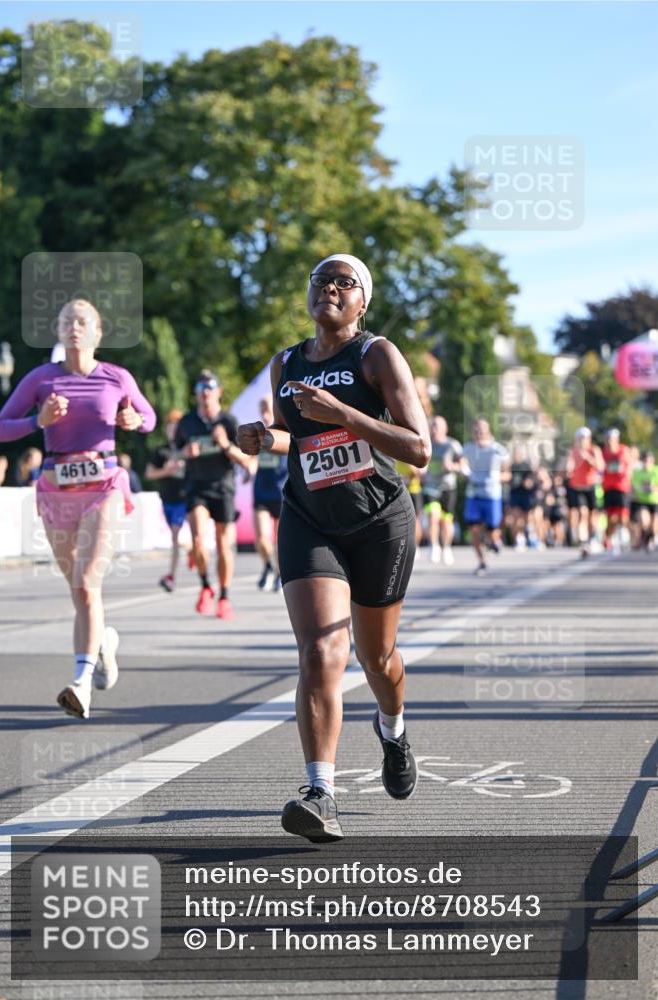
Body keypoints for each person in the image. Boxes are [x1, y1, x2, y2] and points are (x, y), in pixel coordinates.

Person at [238, 253, 430, 842]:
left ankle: (393, 731)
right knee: (322, 650)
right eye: (320, 280)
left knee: (378, 660)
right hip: (309, 519)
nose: (329, 288)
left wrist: (343, 412)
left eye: (344, 282)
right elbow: (296, 437)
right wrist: (261, 438)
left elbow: (417, 448)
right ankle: (321, 793)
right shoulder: (286, 362)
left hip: (378, 520)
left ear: (362, 301)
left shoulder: (377, 355)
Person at [0, 298, 156, 719]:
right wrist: (38, 422)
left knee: (86, 582)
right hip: (55, 489)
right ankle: (103, 644)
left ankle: (81, 683)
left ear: (98, 332)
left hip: (103, 485)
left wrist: (134, 421)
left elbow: (149, 417)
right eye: (66, 321)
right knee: (81, 591)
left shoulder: (116, 376)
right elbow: (0, 427)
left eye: (83, 321)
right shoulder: (40, 378)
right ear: (60, 332)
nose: (74, 327)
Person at [175, 370, 254, 619]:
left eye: (210, 389)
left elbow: (247, 461)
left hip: (223, 486)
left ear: (218, 392)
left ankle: (224, 596)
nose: (206, 393)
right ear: (196, 394)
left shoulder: (229, 422)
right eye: (201, 389)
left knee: (222, 544)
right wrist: (185, 453)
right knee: (198, 538)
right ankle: (205, 586)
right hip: (196, 486)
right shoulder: (186, 422)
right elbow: (174, 455)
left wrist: (225, 445)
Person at [145, 408, 188, 592]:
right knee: (176, 536)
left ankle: (171, 576)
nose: (173, 430)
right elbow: (149, 473)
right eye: (171, 426)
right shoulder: (161, 450)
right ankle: (192, 552)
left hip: (185, 498)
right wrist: (167, 470)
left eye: (177, 427)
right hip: (167, 499)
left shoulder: (188, 448)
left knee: (176, 536)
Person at [460, 419, 510, 576]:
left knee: (492, 530)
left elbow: (507, 474)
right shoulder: (468, 448)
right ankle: (482, 561)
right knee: (474, 529)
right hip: (474, 493)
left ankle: (495, 540)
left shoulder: (498, 450)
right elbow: (461, 462)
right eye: (476, 430)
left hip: (492, 494)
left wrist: (498, 477)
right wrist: (463, 470)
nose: (479, 433)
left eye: (482, 430)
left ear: (488, 432)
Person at [252, 395, 288, 591]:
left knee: (279, 540)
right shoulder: (256, 434)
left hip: (282, 492)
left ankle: (280, 574)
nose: (265, 414)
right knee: (261, 538)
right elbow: (249, 459)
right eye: (262, 410)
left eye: (269, 409)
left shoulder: (283, 431)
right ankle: (268, 566)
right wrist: (248, 468)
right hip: (261, 492)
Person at [422, 415, 462, 565]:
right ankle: (434, 546)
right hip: (431, 486)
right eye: (432, 426)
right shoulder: (427, 444)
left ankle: (446, 547)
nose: (434, 429)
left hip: (448, 487)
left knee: (446, 521)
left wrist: (453, 467)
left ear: (445, 429)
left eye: (437, 426)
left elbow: (463, 465)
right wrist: (421, 470)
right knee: (433, 515)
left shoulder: (453, 445)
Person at [565, 427, 603, 556]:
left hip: (591, 487)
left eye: (585, 438)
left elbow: (601, 466)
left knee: (593, 516)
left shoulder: (594, 450)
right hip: (577, 487)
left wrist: (587, 458)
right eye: (580, 438)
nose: (583, 441)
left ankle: (593, 539)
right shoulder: (573, 451)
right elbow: (569, 466)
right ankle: (583, 542)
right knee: (582, 513)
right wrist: (568, 468)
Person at [601, 428, 632, 550]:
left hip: (622, 488)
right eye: (608, 439)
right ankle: (607, 539)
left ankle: (625, 536)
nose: (610, 442)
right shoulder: (603, 453)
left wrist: (624, 470)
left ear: (617, 439)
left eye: (612, 439)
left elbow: (629, 465)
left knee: (623, 516)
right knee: (611, 518)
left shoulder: (623, 450)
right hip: (608, 488)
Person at [630, 450, 658, 551]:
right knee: (644, 520)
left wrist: (653, 488)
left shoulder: (656, 471)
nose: (647, 463)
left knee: (654, 525)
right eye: (645, 461)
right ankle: (643, 538)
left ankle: (648, 539)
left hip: (655, 501)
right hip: (642, 501)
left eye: (649, 461)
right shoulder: (637, 473)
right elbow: (634, 487)